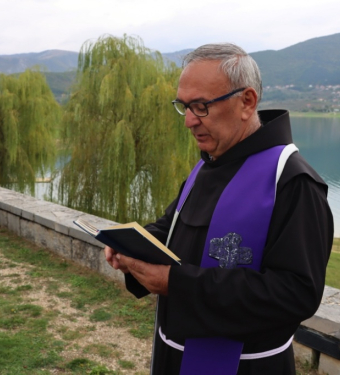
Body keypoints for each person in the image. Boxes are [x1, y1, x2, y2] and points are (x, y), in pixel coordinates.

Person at [105, 43, 333, 375]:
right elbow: (172, 230)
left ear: (247, 101)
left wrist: (177, 284)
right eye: (184, 106)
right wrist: (131, 245)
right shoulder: (205, 167)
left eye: (200, 106)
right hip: (173, 356)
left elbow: (296, 293)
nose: (188, 122)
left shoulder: (293, 181)